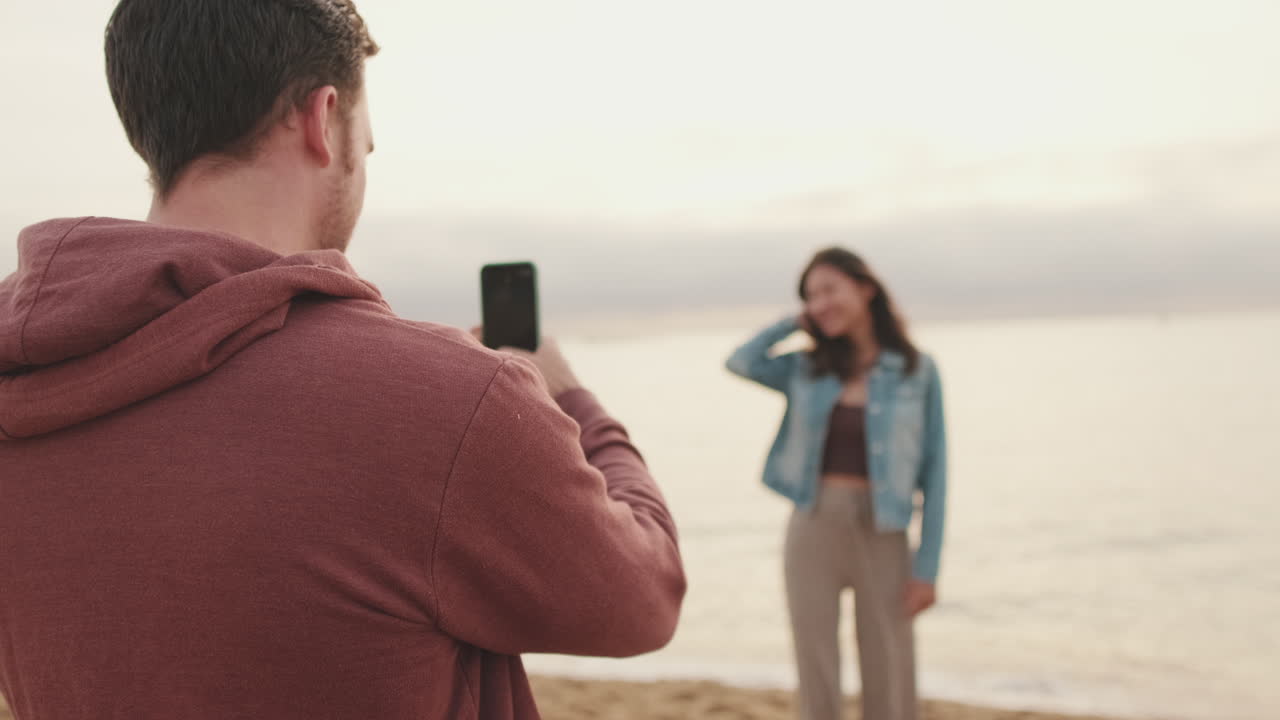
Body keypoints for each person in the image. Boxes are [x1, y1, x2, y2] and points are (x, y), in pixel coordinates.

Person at [0, 2, 685, 718]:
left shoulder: (25, 383)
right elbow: (644, 597)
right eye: (369, 144)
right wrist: (571, 398)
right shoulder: (441, 402)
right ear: (323, 120)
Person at [725, 247, 947, 720]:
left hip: (884, 530)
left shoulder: (917, 370)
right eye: (810, 296)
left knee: (889, 666)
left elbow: (936, 471)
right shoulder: (806, 368)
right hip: (814, 523)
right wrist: (794, 323)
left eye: (829, 290)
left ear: (865, 289)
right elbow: (741, 362)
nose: (820, 303)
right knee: (816, 664)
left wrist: (926, 568)